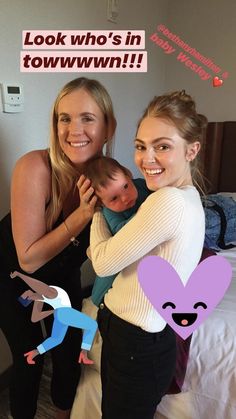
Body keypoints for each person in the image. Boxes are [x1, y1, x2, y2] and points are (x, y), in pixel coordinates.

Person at [0, 77, 116, 419]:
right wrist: (82, 214)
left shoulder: (109, 178)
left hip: (58, 274)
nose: (73, 129)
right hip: (9, 274)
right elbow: (29, 259)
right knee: (29, 357)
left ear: (108, 127)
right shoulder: (34, 167)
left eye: (87, 118)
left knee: (69, 355)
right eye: (64, 118)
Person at [90, 90, 207, 419]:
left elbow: (102, 262)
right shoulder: (188, 197)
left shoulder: (166, 201)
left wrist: (96, 214)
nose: (147, 158)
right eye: (141, 146)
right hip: (141, 337)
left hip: (135, 342)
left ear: (191, 150)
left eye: (163, 146)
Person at [82, 155, 151, 306]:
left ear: (127, 175)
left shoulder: (140, 185)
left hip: (140, 256)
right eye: (114, 198)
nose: (125, 198)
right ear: (102, 203)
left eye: (125, 186)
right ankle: (97, 302)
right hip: (114, 269)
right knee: (103, 295)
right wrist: (147, 211)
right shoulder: (110, 213)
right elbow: (121, 231)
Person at [10, 270, 98, 365]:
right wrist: (19, 275)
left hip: (59, 315)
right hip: (64, 312)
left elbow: (34, 316)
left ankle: (34, 353)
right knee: (92, 325)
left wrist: (53, 311)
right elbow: (34, 317)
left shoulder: (45, 294)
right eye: (27, 297)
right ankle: (84, 353)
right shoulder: (46, 294)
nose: (27, 293)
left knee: (56, 339)